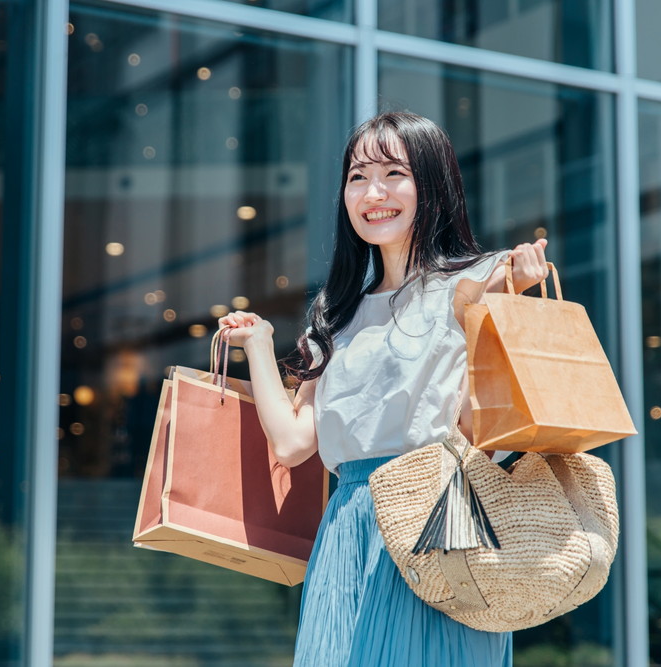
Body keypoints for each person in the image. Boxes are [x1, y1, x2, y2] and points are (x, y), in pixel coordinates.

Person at [218, 112, 548, 666]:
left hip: (440, 521)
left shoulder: (480, 280)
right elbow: (293, 443)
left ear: (432, 184)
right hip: (350, 528)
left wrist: (505, 302)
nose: (373, 193)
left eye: (394, 173)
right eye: (356, 177)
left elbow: (488, 432)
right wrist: (259, 345)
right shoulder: (336, 310)